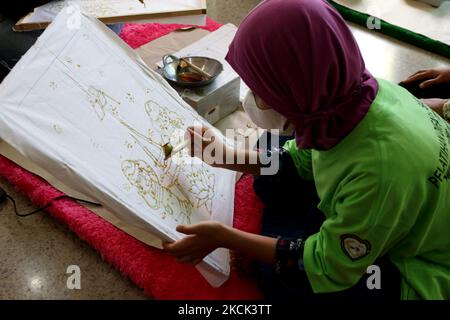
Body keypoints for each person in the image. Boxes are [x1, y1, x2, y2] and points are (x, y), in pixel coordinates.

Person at [163, 0, 450, 300]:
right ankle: (303, 230)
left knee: (281, 278)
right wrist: (227, 156)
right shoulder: (360, 93)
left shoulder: (378, 174)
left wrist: (227, 238)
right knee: (273, 157)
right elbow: (303, 157)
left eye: (261, 91)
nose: (252, 101)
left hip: (420, 266)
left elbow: (328, 266)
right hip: (395, 199)